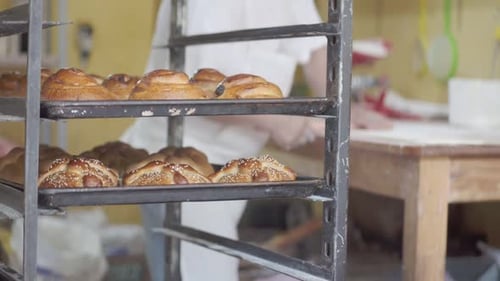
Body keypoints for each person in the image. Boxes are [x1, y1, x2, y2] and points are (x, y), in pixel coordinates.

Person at [120, 0, 392, 281]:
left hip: (218, 173)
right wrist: (280, 121)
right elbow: (199, 89)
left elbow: (315, 53)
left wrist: (346, 107)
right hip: (179, 167)